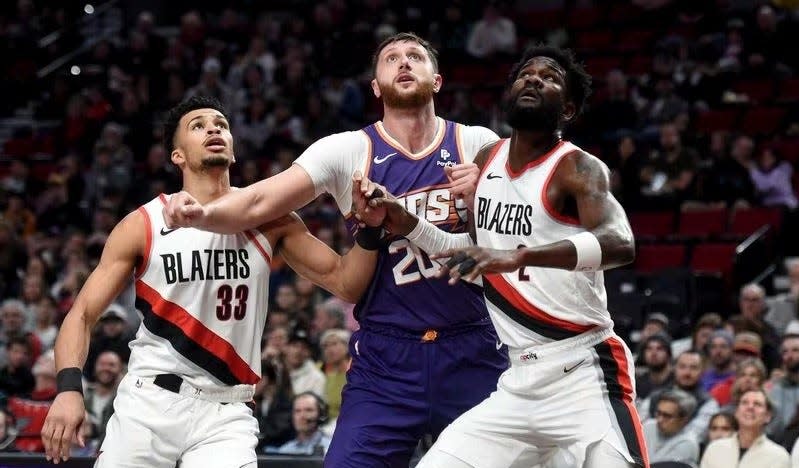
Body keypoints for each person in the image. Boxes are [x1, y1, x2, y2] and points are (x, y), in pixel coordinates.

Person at [163, 32, 508, 467]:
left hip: (472, 346)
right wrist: (199, 212)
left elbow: (517, 248)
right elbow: (257, 202)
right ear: (375, 86)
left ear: (436, 80)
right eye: (391, 59)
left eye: (415, 57)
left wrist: (484, 197)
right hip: (387, 360)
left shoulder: (477, 144)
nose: (404, 63)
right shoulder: (347, 150)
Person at [40, 96, 378, 467]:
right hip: (149, 403)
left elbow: (347, 283)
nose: (213, 129)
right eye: (197, 126)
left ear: (233, 151)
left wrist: (371, 232)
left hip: (227, 412)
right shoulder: (144, 223)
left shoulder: (270, 220)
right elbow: (83, 314)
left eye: (221, 124)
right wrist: (69, 390)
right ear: (177, 156)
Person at [354, 45, 645, 467]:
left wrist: (519, 257)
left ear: (566, 109)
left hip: (584, 372)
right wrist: (408, 223)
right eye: (526, 74)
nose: (533, 80)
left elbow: (621, 244)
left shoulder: (578, 168)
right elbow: (473, 256)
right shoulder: (487, 159)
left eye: (549, 78)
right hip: (518, 383)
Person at [700, 389, 789, 468]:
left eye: (757, 404)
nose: (750, 407)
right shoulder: (714, 449)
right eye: (745, 403)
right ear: (737, 413)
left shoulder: (779, 456)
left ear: (767, 416)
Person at [642, 389, 700, 467]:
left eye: (667, 416)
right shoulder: (649, 426)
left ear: (684, 420)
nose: (659, 419)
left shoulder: (687, 443)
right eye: (658, 413)